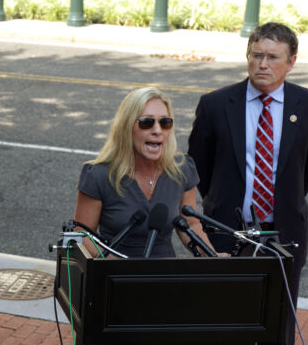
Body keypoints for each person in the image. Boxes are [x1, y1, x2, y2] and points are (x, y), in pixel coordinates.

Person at [188, 22, 308, 345]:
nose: (261, 63)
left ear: (291, 61)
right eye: (255, 54)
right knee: (220, 324)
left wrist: (278, 209)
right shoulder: (216, 104)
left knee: (277, 329)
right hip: (226, 233)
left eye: (271, 56)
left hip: (281, 235)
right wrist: (218, 218)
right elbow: (199, 170)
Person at [75, 87, 215, 258]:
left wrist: (212, 255)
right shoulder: (98, 175)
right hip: (115, 276)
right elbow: (83, 235)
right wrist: (114, 263)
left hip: (164, 276)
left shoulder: (181, 168)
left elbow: (191, 224)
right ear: (126, 127)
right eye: (146, 122)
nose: (157, 130)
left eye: (165, 123)